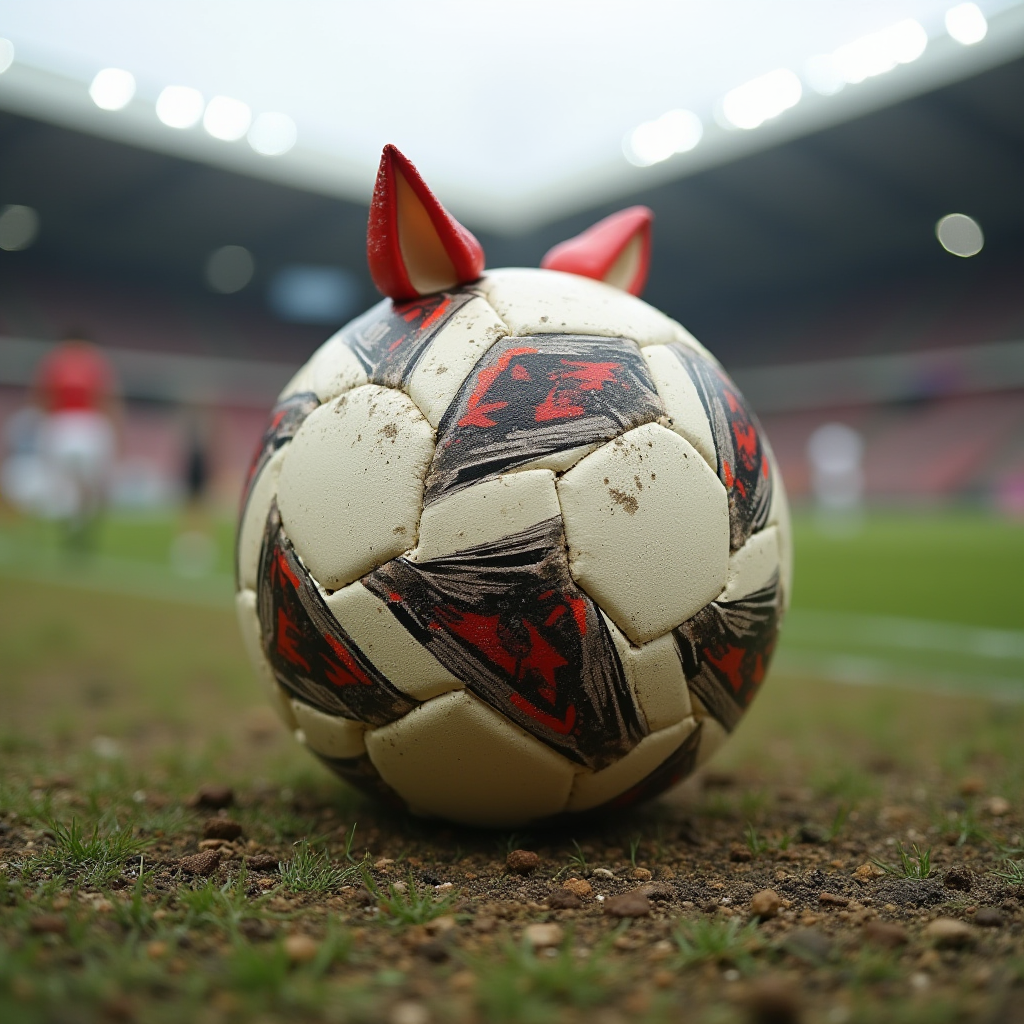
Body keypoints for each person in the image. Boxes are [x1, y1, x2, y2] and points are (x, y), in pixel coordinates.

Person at [34, 332, 118, 549]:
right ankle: (77, 525)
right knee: (76, 483)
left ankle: (78, 526)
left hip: (75, 424)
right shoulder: (81, 361)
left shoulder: (61, 361)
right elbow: (108, 399)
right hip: (74, 424)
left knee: (80, 482)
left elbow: (42, 396)